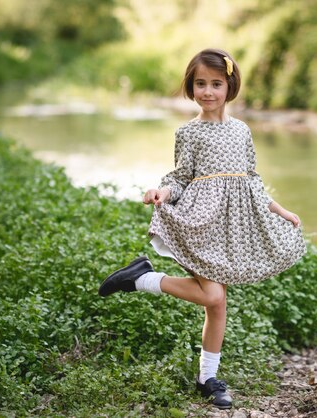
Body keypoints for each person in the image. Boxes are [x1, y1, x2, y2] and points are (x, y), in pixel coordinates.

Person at [98, 48, 306, 409]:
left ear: (230, 86)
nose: (207, 92)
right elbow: (179, 178)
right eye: (200, 84)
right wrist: (162, 192)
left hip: (231, 228)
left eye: (216, 84)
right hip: (200, 223)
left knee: (217, 305)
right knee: (213, 296)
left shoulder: (242, 131)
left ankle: (207, 378)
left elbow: (251, 180)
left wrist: (280, 210)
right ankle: (141, 280)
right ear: (190, 88)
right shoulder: (189, 132)